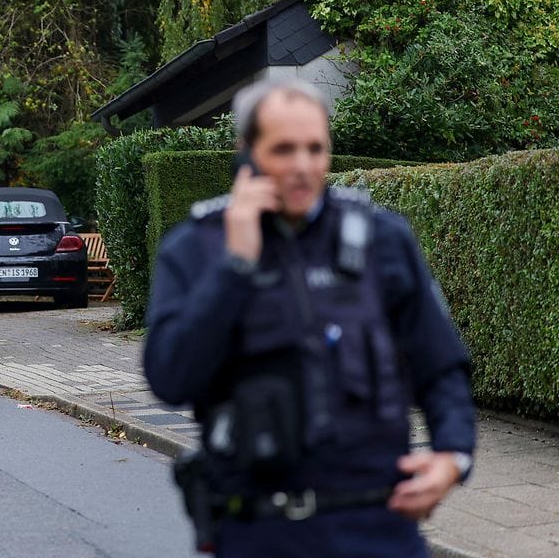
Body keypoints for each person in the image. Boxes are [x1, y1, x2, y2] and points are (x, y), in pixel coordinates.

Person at [142, 79, 476, 557]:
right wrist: (234, 268)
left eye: (315, 148)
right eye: (283, 149)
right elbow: (170, 378)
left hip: (378, 530)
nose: (302, 167)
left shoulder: (382, 238)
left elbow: (440, 364)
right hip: (262, 534)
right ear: (246, 153)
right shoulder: (195, 249)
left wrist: (452, 456)